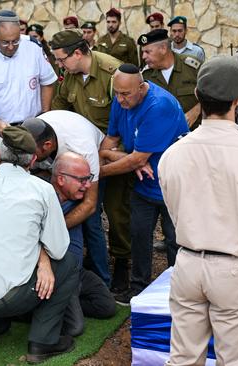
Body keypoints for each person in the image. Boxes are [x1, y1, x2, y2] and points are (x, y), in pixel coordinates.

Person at [159, 55, 238, 366]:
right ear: (237, 101)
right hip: (233, 264)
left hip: (187, 260)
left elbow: (175, 211)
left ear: (198, 96)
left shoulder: (172, 154)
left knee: (183, 358)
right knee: (236, 361)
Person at [0, 126, 78, 362]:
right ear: (32, 159)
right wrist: (43, 259)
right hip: (8, 297)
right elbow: (59, 247)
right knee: (68, 262)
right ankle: (43, 341)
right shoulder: (42, 190)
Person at [99, 64, 189, 304]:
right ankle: (138, 288)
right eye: (116, 92)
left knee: (174, 240)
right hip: (144, 183)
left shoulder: (159, 105)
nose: (120, 99)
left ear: (141, 87)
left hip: (173, 184)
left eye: (125, 94)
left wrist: (100, 171)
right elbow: (110, 143)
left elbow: (136, 157)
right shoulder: (121, 100)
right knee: (139, 236)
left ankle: (178, 291)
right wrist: (128, 160)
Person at [48, 30, 129, 291]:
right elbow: (59, 108)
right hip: (82, 151)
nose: (59, 65)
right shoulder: (69, 76)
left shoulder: (111, 73)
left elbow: (126, 116)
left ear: (78, 53)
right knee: (88, 215)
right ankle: (96, 267)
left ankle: (122, 265)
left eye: (62, 59)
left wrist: (108, 153)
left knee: (117, 211)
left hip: (112, 152)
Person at [22, 112, 107, 282]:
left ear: (47, 145)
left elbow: (89, 204)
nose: (30, 158)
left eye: (33, 154)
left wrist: (54, 228)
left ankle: (102, 279)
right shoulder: (33, 136)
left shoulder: (83, 148)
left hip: (82, 169)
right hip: (51, 169)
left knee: (91, 222)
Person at [50, 152, 116, 337]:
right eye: (82, 180)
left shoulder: (81, 200)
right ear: (61, 179)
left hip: (78, 273)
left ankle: (65, 305)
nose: (88, 185)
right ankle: (32, 310)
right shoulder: (44, 201)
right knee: (75, 328)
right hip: (58, 276)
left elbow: (91, 205)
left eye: (89, 178)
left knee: (106, 307)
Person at [0, 10, 57, 135]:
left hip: (33, 126)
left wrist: (44, 116)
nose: (11, 47)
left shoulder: (33, 47)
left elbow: (47, 82)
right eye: (5, 42)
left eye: (16, 41)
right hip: (0, 128)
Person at [139, 29, 202, 129]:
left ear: (163, 48)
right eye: (143, 52)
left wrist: (196, 110)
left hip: (193, 136)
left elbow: (214, 94)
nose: (143, 56)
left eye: (147, 52)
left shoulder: (193, 68)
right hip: (162, 138)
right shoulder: (146, 76)